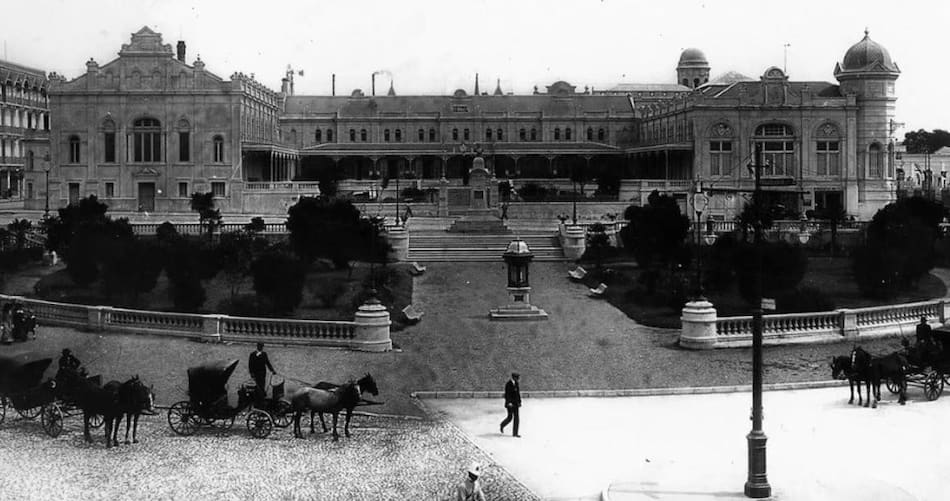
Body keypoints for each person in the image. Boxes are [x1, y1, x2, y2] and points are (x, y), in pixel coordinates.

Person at [499, 372, 521, 437]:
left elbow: (518, 394)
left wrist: (519, 402)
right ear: (514, 378)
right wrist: (509, 403)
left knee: (517, 418)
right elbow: (507, 395)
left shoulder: (516, 383)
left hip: (516, 404)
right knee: (510, 417)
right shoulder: (508, 384)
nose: (518, 379)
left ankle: (515, 433)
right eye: (517, 378)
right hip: (510, 404)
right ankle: (502, 425)